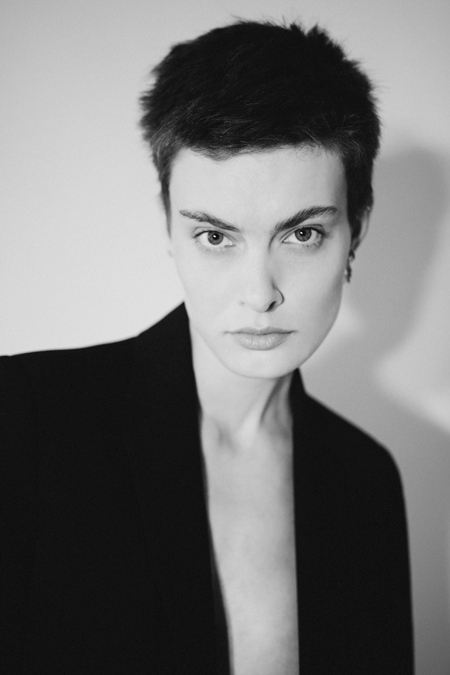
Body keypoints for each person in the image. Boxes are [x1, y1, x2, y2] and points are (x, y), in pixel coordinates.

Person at [0, 19, 414, 675]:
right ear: (168, 227)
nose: (260, 293)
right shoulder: (23, 419)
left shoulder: (367, 482)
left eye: (302, 234)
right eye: (216, 237)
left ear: (356, 229)